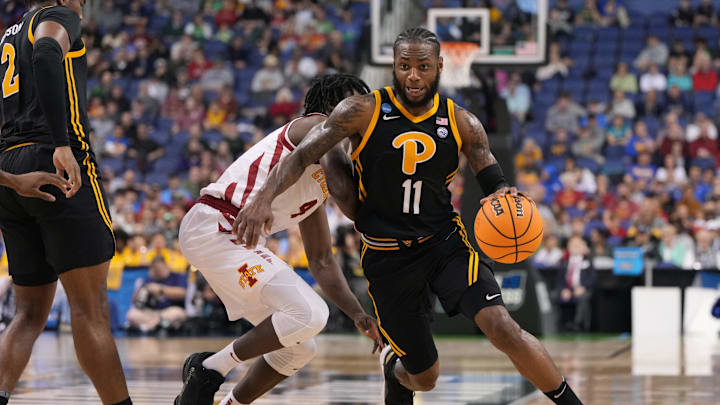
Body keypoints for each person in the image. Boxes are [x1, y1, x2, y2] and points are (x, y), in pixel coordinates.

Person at [234, 27, 583, 405]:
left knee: (502, 326)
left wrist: (503, 194)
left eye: (422, 66)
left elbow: (491, 175)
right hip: (387, 259)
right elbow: (301, 154)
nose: (413, 76)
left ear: (439, 67)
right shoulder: (361, 110)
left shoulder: (461, 121)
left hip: (443, 245)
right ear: (394, 68)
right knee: (424, 376)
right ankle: (395, 373)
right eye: (404, 66)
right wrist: (262, 199)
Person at [174, 74, 382, 405]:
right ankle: (209, 368)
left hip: (236, 240)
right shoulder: (313, 126)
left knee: (299, 347)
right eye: (356, 103)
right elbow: (349, 199)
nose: (365, 112)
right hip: (215, 224)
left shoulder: (317, 182)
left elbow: (322, 260)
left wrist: (358, 314)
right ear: (332, 107)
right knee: (311, 314)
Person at [0, 2, 131, 405]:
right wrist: (60, 143)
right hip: (56, 164)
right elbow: (45, 52)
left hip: (11, 175)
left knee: (27, 314)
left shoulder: (6, 38)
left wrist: (8, 178)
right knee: (91, 311)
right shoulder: (58, 16)